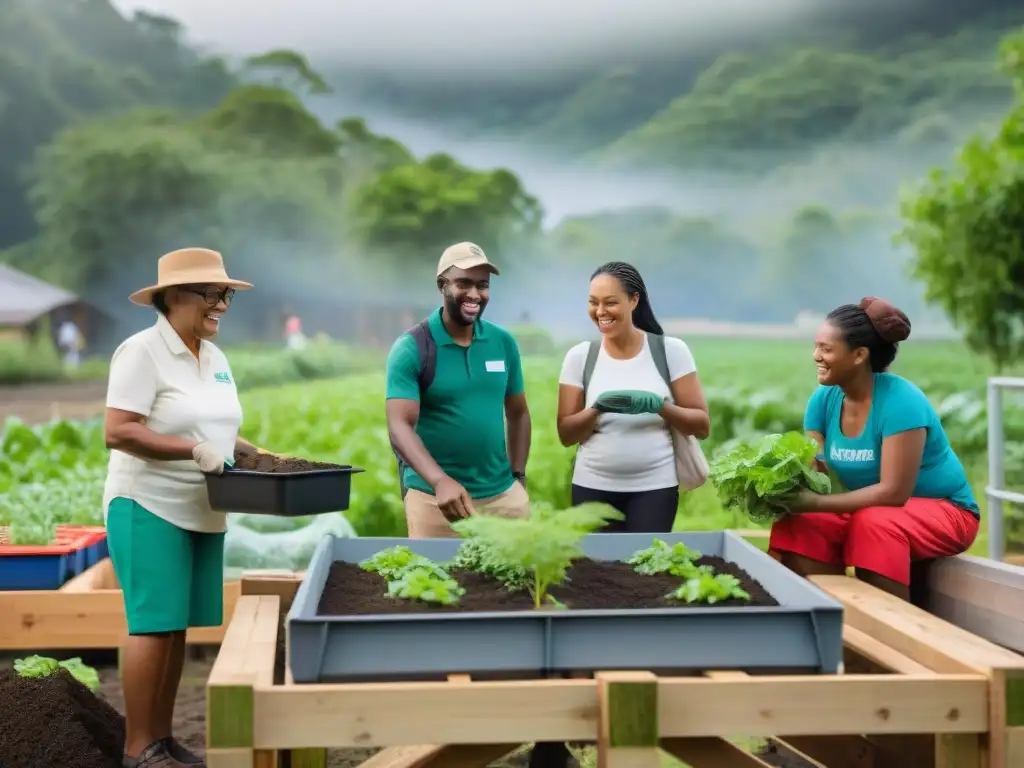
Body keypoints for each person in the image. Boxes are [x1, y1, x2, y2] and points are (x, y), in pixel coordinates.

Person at [103, 247, 273, 768]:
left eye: (226, 295)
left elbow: (213, 426)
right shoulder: (141, 351)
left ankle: (162, 738)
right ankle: (138, 750)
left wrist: (253, 452)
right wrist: (191, 451)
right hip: (148, 503)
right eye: (211, 293)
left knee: (176, 627)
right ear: (173, 297)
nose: (222, 303)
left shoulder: (213, 357)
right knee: (153, 625)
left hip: (202, 505)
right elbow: (119, 430)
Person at [769, 296, 980, 601]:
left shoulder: (900, 402)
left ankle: (892, 633)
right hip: (874, 509)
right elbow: (816, 472)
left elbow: (894, 493)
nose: (816, 355)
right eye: (816, 346)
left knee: (873, 522)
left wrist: (812, 502)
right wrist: (781, 485)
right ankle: (822, 620)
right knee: (803, 520)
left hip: (947, 511)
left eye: (826, 349)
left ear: (859, 355)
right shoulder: (823, 401)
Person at [385, 241, 531, 537]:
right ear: (442, 285)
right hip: (435, 501)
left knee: (515, 583)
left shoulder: (502, 342)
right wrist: (440, 481)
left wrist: (518, 475)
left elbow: (518, 413)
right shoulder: (413, 347)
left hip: (503, 498)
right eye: (463, 283)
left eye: (483, 285)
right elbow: (399, 426)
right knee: (436, 581)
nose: (475, 294)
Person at [556, 261, 710, 532]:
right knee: (597, 571)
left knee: (643, 567)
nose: (600, 312)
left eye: (610, 302)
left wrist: (660, 407)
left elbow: (701, 425)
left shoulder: (670, 351)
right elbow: (566, 435)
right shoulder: (580, 357)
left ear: (634, 299)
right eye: (593, 303)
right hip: (591, 486)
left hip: (654, 488)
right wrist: (596, 409)